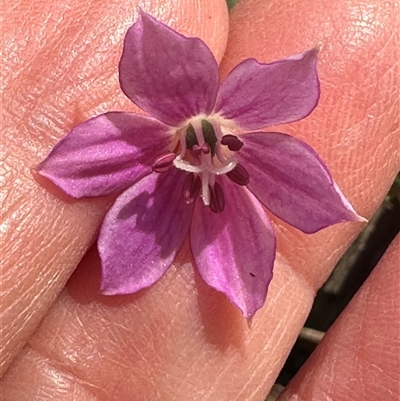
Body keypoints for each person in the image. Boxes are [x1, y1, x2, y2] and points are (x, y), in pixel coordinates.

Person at [1, 0, 398, 400]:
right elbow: (79, 164)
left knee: (242, 279)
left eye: (207, 144)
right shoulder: (147, 106)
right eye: (196, 144)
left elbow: (311, 186)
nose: (203, 153)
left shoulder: (254, 157)